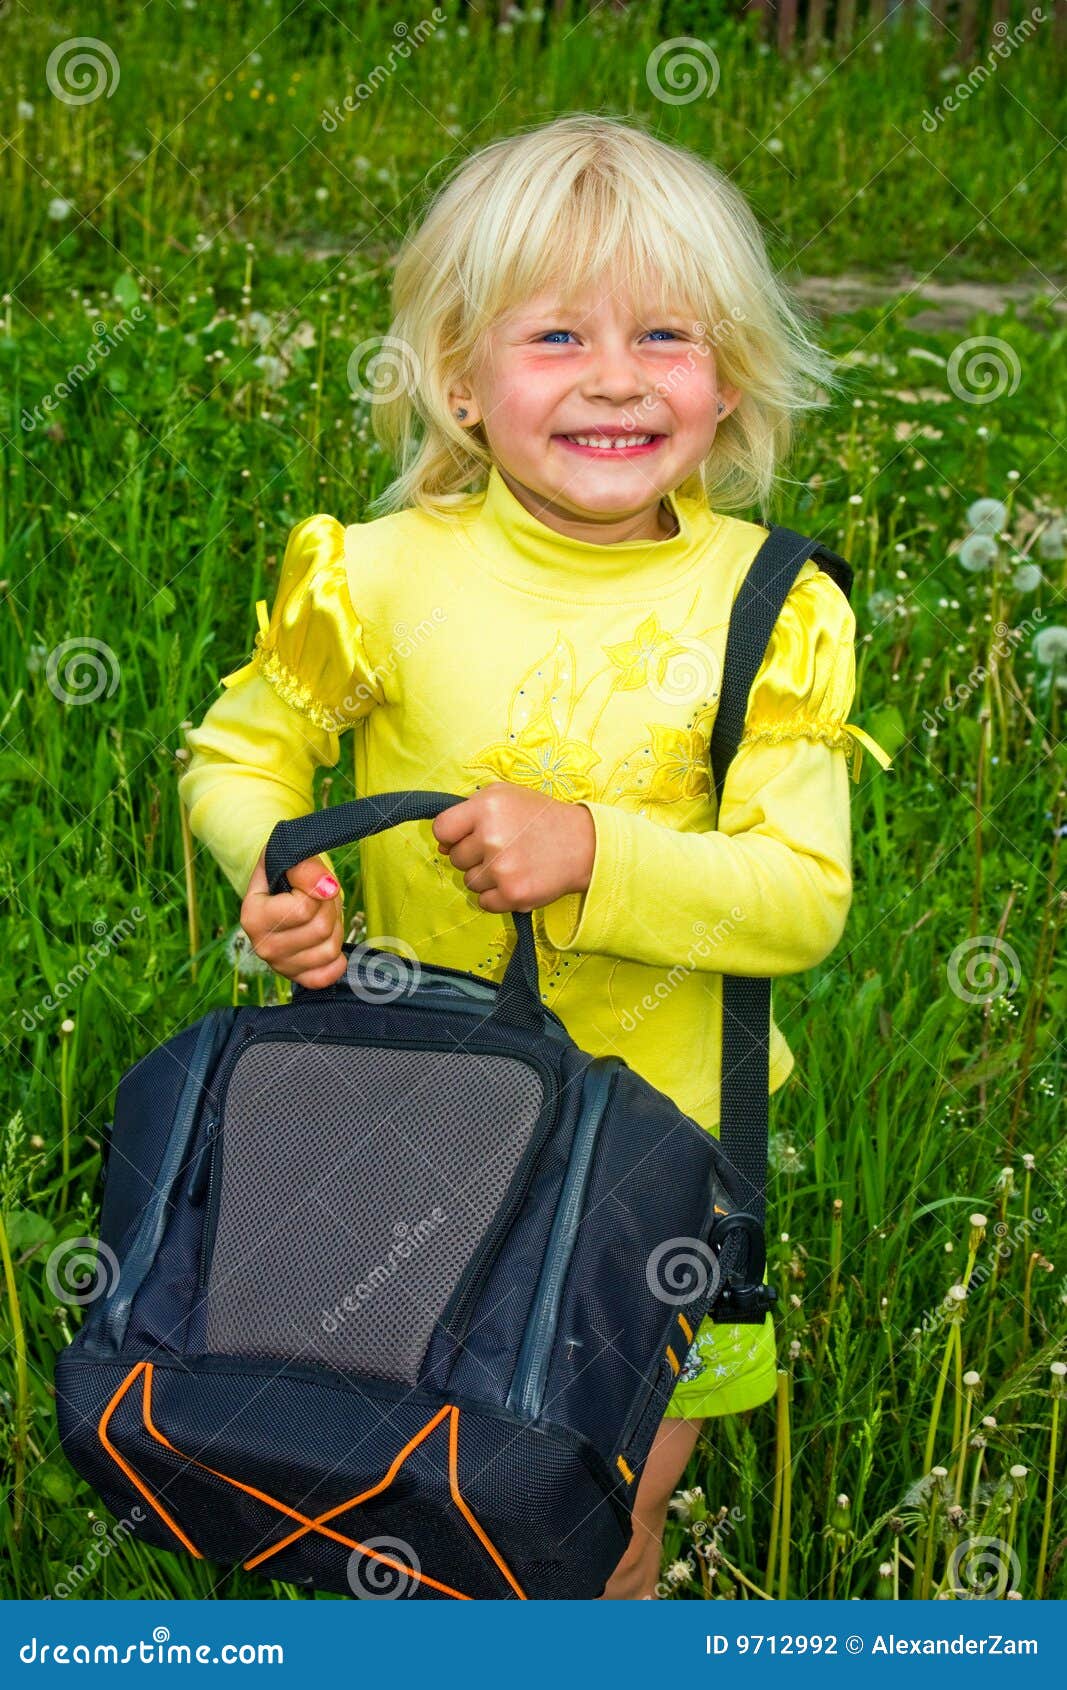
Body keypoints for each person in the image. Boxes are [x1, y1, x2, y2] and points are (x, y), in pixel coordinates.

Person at [177, 112, 892, 1601]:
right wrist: (278, 872)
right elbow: (240, 757)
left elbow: (802, 896)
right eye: (556, 333)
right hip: (405, 1133)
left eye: (667, 334)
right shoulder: (376, 578)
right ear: (458, 376)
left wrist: (592, 854)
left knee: (593, 1524)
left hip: (660, 1166)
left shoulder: (768, 607)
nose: (618, 376)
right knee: (387, 1499)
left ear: (733, 374)